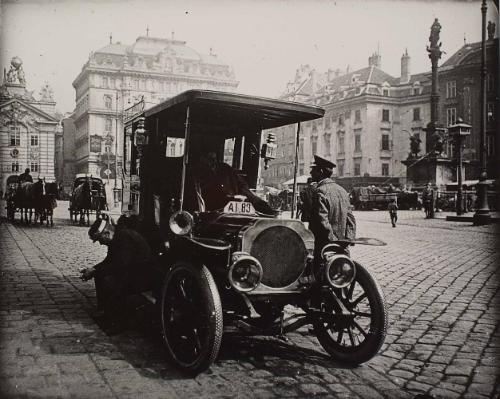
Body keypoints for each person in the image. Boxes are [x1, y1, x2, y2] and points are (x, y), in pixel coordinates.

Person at [80, 216, 155, 333]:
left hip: (143, 276)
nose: (100, 243)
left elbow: (121, 264)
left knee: (111, 281)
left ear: (107, 233)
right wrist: (94, 269)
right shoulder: (117, 237)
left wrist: (95, 271)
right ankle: (107, 313)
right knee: (101, 276)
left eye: (100, 239)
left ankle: (120, 322)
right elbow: (110, 261)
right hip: (132, 271)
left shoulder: (124, 238)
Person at [192, 151, 275, 215]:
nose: (212, 162)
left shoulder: (225, 169)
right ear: (201, 158)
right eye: (208, 158)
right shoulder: (196, 172)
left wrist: (260, 203)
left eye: (213, 158)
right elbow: (205, 195)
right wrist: (230, 199)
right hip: (213, 211)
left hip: (234, 206)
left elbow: (242, 186)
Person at [308, 155, 351, 260]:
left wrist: (332, 241)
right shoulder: (342, 190)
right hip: (342, 247)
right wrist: (347, 240)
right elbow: (350, 219)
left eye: (313, 170)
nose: (311, 173)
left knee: (320, 274)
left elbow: (322, 221)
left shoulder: (320, 192)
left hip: (325, 247)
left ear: (321, 172)